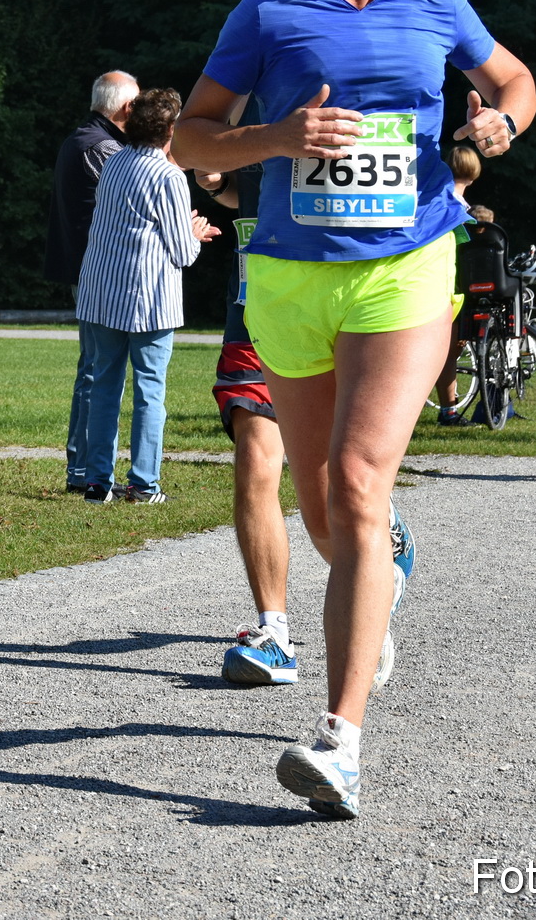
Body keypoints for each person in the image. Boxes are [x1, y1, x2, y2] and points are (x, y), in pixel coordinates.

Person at [173, 0, 536, 818]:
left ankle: (340, 742)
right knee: (326, 502)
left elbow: (513, 81)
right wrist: (276, 137)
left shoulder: (435, 1)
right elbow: (187, 136)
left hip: (407, 269)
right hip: (292, 279)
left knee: (362, 486)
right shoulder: (270, 8)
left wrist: (501, 121)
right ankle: (380, 585)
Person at [197, 162, 315, 686]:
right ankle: (276, 635)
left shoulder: (360, 112)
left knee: (339, 481)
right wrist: (217, 179)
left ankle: (382, 531)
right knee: (254, 460)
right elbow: (237, 189)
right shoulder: (253, 114)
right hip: (254, 321)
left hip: (336, 324)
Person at [75, 87, 218, 504]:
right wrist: (194, 233)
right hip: (148, 300)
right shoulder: (169, 175)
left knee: (104, 387)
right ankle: (143, 485)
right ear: (172, 128)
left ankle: (97, 482)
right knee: (149, 392)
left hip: (102, 292)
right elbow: (181, 252)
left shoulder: (114, 163)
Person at [45, 71, 139, 492]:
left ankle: (82, 469)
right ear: (125, 108)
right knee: (96, 371)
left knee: (93, 368)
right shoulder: (102, 148)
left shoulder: (82, 139)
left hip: (86, 269)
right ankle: (82, 471)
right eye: (138, 104)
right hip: (96, 272)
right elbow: (132, 202)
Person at [432, 144, 484, 426]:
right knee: (447, 353)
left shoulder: (436, 199)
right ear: (474, 174)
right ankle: (447, 410)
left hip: (440, 283)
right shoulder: (457, 208)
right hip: (449, 286)